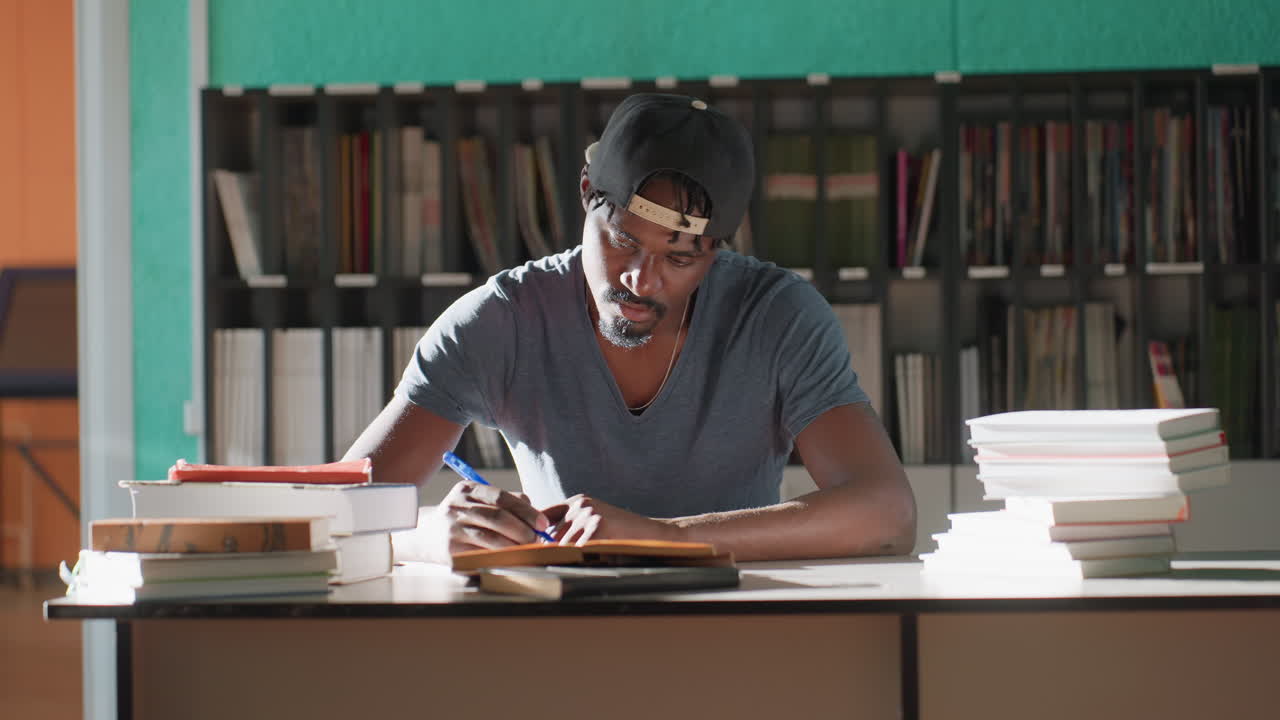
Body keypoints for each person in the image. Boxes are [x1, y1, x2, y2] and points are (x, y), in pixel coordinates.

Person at [345, 93, 915, 563]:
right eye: (622, 241)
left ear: (717, 252)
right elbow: (343, 512)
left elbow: (888, 513)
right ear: (587, 193)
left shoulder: (777, 316)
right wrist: (424, 536)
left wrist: (669, 539)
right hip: (560, 638)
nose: (642, 281)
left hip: (737, 628)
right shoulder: (500, 322)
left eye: (681, 258)